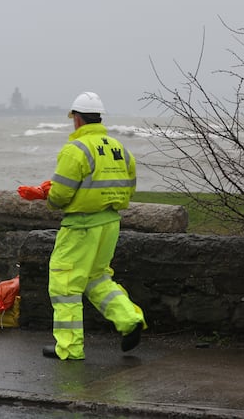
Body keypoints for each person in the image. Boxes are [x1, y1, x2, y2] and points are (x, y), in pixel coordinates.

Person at [42, 91, 145, 360]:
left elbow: (60, 195)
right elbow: (130, 188)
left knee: (65, 285)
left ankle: (69, 347)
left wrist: (47, 195)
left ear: (77, 119)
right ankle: (129, 320)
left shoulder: (75, 150)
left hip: (81, 227)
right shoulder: (119, 148)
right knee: (97, 278)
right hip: (110, 224)